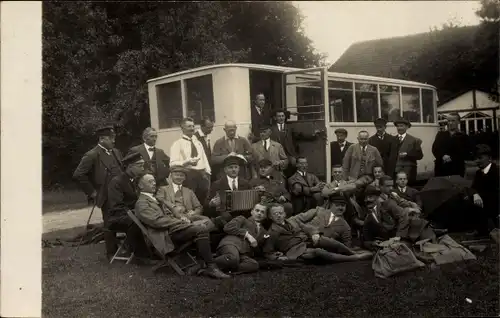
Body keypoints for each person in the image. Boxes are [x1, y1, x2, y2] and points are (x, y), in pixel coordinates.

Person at [134, 174, 230, 279]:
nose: (154, 183)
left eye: (154, 181)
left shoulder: (154, 199)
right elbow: (157, 221)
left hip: (172, 229)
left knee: (211, 224)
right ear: (141, 185)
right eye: (150, 182)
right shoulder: (142, 203)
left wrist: (181, 218)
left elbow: (167, 215)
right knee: (201, 229)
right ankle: (211, 267)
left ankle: (203, 263)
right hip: (165, 236)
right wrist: (180, 222)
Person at [73, 125, 123, 257]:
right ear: (102, 139)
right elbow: (79, 175)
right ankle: (111, 252)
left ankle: (125, 248)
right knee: (110, 222)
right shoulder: (92, 154)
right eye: (111, 138)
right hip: (106, 195)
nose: (114, 141)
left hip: (121, 193)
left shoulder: (116, 152)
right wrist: (92, 192)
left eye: (114, 138)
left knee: (124, 220)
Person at [262, 204, 372, 263]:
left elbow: (306, 227)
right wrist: (278, 257)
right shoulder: (272, 232)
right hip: (296, 251)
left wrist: (314, 233)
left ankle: (352, 252)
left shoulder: (291, 221)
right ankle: (354, 258)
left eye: (280, 213)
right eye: (275, 214)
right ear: (270, 216)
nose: (278, 215)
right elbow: (267, 252)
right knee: (319, 252)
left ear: (284, 214)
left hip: (306, 241)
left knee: (325, 240)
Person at [106, 152, 147, 256]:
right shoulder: (117, 182)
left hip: (133, 213)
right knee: (136, 223)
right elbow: (117, 206)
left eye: (143, 165)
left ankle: (157, 249)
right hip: (117, 217)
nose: (143, 168)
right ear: (130, 167)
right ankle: (141, 256)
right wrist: (136, 213)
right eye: (140, 165)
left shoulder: (137, 180)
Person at [214, 203, 269, 274]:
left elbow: (258, 249)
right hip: (232, 244)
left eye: (262, 212)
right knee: (233, 258)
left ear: (265, 216)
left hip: (244, 253)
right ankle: (207, 265)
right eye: (257, 210)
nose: (259, 213)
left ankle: (226, 269)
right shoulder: (242, 219)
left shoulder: (264, 231)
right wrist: (247, 235)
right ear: (252, 212)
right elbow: (228, 227)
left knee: (254, 265)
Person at [156, 165, 213, 229]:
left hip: (190, 217)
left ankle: (196, 226)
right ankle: (196, 227)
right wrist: (173, 206)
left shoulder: (189, 191)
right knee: (203, 225)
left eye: (181, 175)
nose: (179, 177)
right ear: (171, 176)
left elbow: (199, 207)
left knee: (207, 220)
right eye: (176, 175)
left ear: (185, 178)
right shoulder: (163, 189)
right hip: (173, 218)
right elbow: (160, 199)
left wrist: (194, 213)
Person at [270, 109, 322, 178]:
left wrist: (313, 135)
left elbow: (300, 135)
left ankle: (294, 181)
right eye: (279, 116)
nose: (281, 118)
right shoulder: (271, 129)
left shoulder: (290, 127)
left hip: (289, 154)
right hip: (277, 154)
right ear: (275, 118)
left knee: (294, 163)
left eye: (282, 116)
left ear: (285, 117)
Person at [169, 117, 211, 204]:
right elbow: (172, 163)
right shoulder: (177, 144)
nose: (192, 128)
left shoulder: (198, 142)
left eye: (193, 126)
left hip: (202, 175)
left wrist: (208, 173)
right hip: (188, 176)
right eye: (189, 126)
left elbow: (204, 159)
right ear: (182, 128)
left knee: (204, 200)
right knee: (190, 201)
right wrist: (186, 162)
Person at [361, 186, 410, 251]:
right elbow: (366, 237)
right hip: (389, 243)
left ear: (378, 197)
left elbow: (404, 215)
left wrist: (399, 236)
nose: (367, 200)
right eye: (365, 198)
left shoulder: (389, 204)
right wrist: (372, 243)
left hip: (406, 236)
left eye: (370, 197)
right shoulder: (368, 217)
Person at [469, 144, 499, 237]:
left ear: (489, 158)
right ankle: (481, 229)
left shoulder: (496, 172)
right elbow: (473, 188)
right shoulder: (478, 173)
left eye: (480, 158)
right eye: (476, 158)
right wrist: (475, 194)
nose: (477, 161)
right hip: (484, 204)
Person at [431, 113, 473, 177]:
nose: (450, 123)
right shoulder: (440, 135)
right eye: (449, 121)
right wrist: (443, 156)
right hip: (441, 168)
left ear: (458, 122)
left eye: (453, 121)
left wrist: (452, 158)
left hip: (456, 168)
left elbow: (466, 152)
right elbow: (435, 148)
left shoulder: (464, 137)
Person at [391, 118, 423, 185]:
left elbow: (420, 156)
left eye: (401, 126)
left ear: (407, 127)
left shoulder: (414, 140)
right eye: (398, 126)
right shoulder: (392, 140)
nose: (399, 128)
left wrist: (408, 154)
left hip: (409, 172)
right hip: (396, 171)